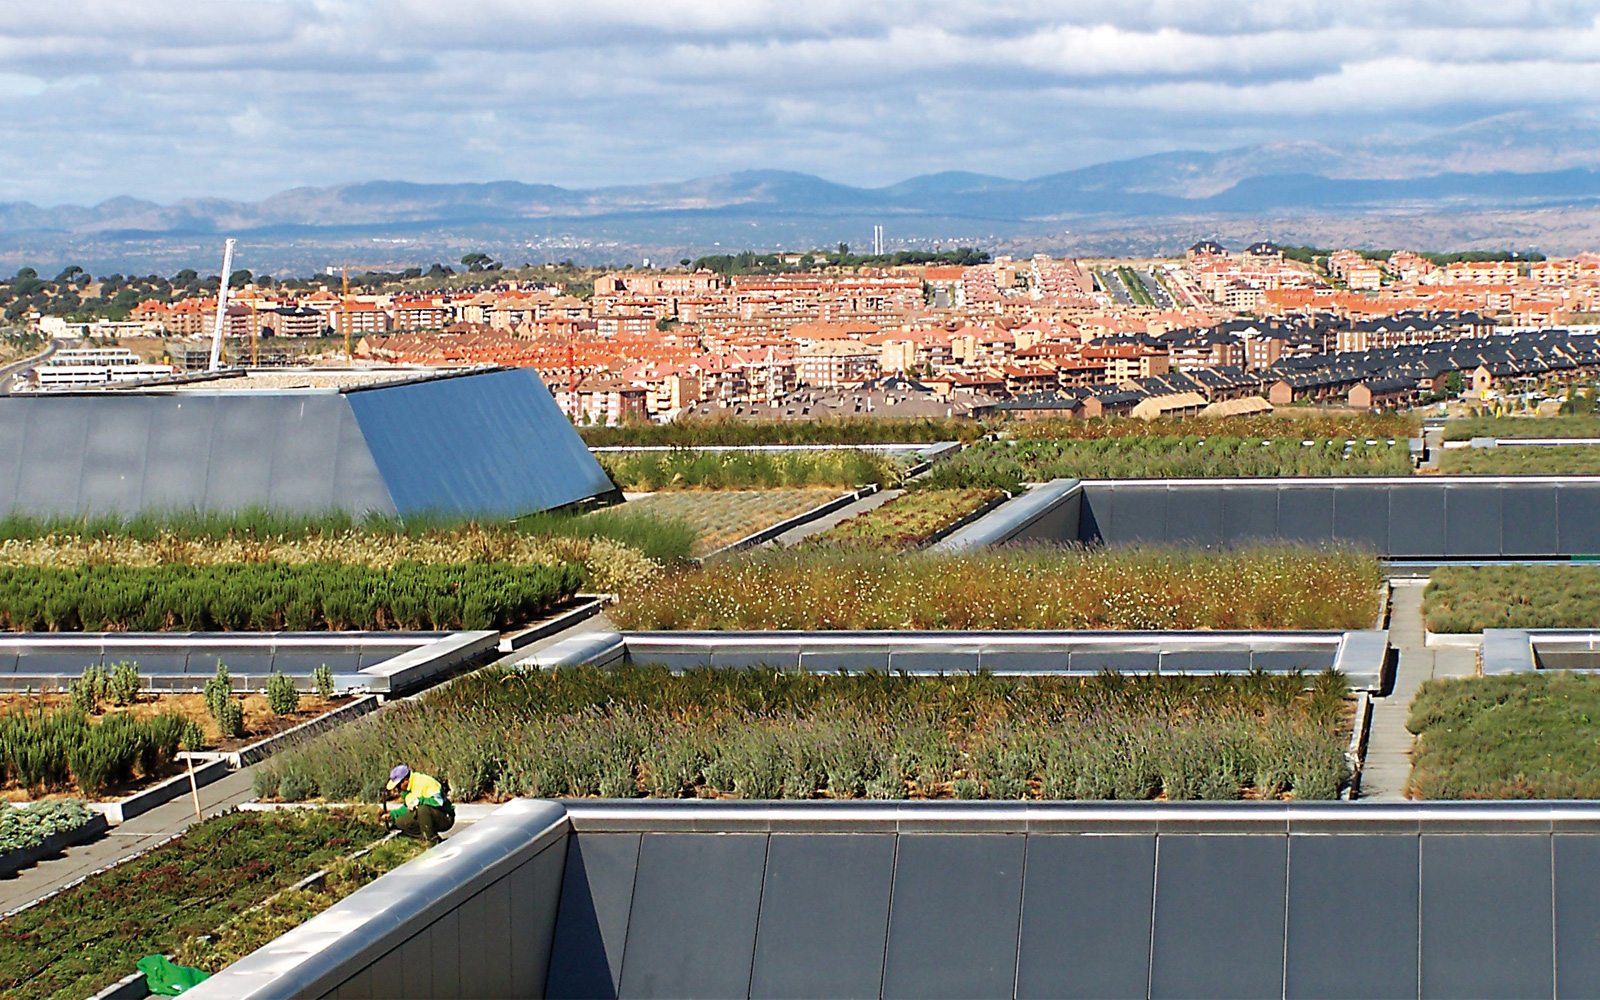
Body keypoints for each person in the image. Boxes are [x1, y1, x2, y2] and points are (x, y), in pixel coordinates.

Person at [385, 764, 455, 844]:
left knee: (423, 809)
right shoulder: (407, 791)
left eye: (398, 785)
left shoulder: (425, 782)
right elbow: (408, 807)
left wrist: (420, 800)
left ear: (406, 780)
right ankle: (422, 839)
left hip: (445, 817)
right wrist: (392, 815)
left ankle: (431, 841)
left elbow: (439, 801)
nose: (398, 789)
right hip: (427, 817)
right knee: (400, 821)